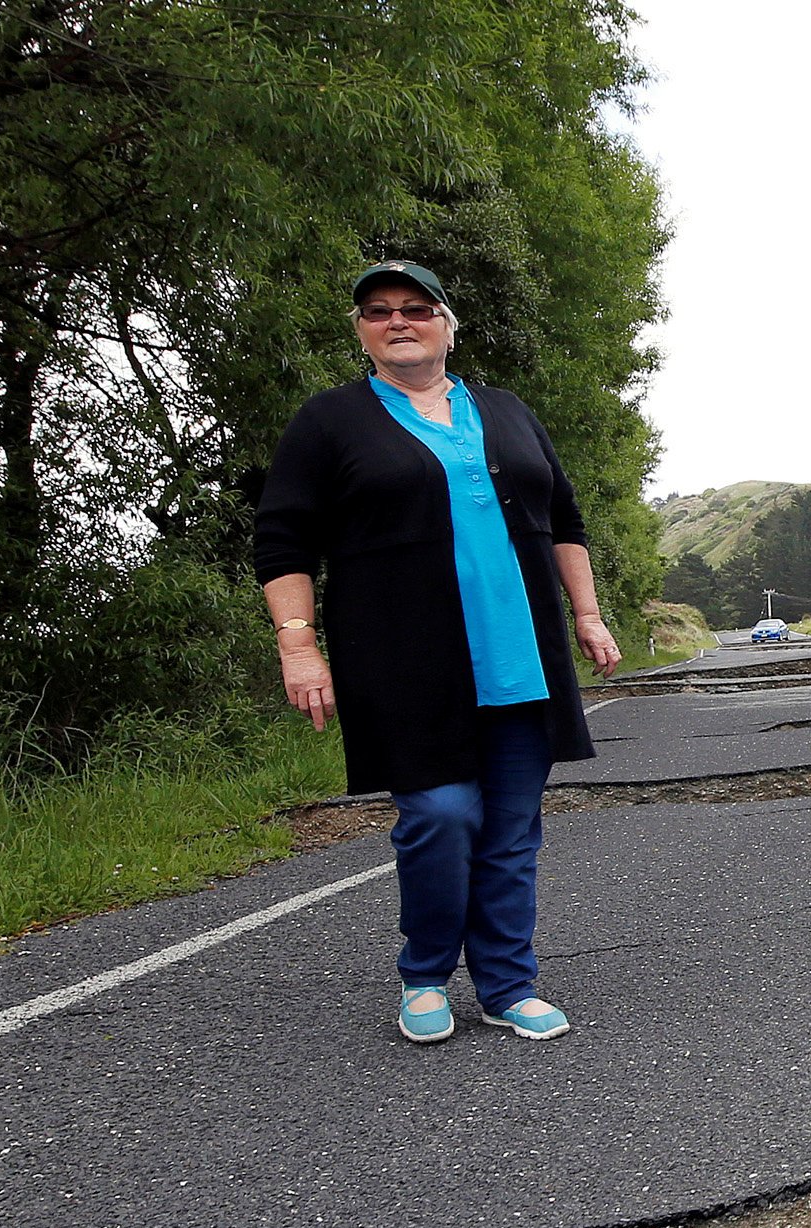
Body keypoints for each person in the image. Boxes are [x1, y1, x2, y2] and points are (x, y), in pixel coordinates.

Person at [255, 261, 620, 1044]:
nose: (398, 321)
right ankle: (425, 971)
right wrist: (298, 646)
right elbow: (283, 539)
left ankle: (506, 981)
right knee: (441, 815)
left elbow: (564, 520)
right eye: (378, 311)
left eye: (416, 309)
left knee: (513, 829)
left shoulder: (506, 410)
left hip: (520, 653)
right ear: (361, 331)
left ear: (448, 326)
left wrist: (587, 614)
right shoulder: (328, 422)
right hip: (402, 662)